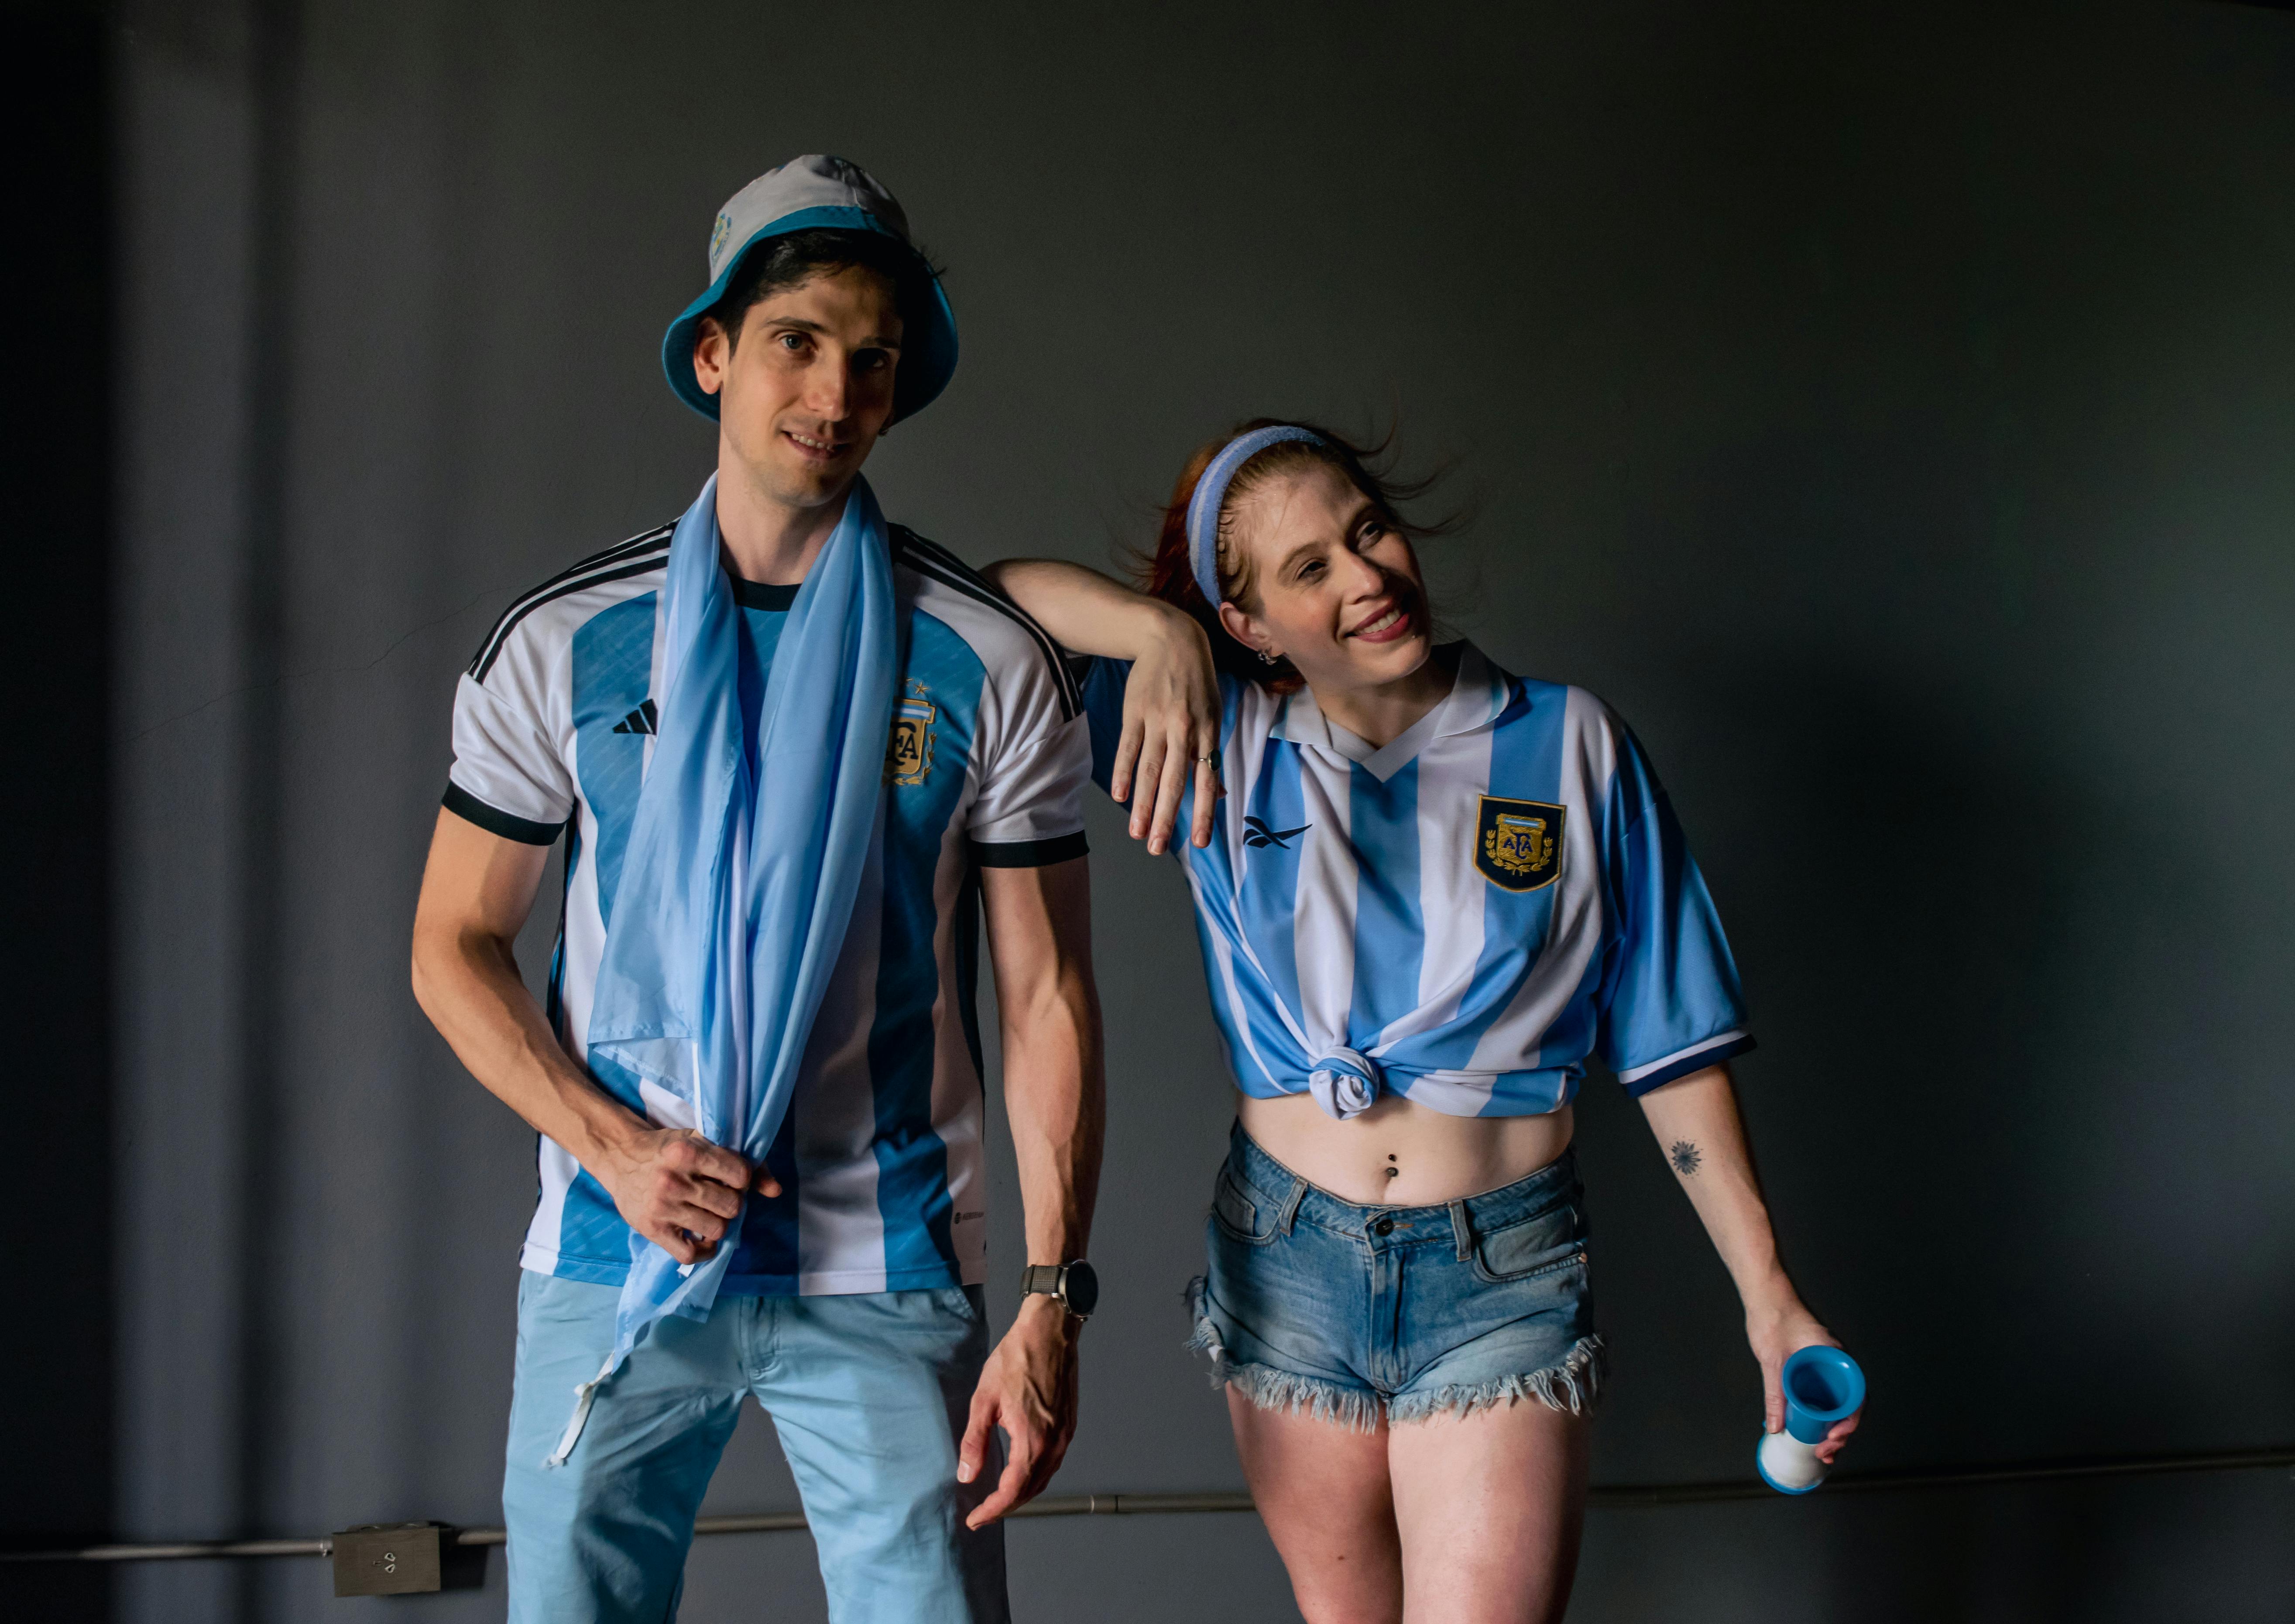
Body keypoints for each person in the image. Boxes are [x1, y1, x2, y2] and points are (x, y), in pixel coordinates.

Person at [987, 421, 1858, 1624]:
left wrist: (1770, 1294)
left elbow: (1675, 1048)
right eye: (1310, 569)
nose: (1368, 578)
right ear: (1247, 625)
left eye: (1370, 532)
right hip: (1285, 1261)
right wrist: (1158, 636)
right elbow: (992, 602)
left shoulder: (1570, 741)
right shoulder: (1210, 736)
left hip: (1500, 1270)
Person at [411, 155, 1104, 1624]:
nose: (836, 393)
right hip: (618, 1240)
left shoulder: (981, 653)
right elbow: (452, 945)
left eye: (874, 359)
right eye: (798, 340)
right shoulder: (563, 641)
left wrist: (1053, 1295)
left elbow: (1047, 995)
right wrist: (615, 1148)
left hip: (887, 1256)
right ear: (715, 354)